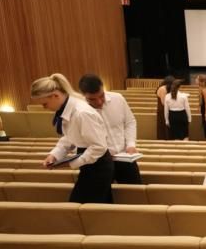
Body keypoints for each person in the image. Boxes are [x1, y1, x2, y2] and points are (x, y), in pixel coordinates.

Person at [31, 73, 113, 204]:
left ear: (55, 96)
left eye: (45, 104)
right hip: (89, 162)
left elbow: (99, 147)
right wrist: (54, 155)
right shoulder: (68, 108)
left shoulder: (81, 113)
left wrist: (71, 163)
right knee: (92, 209)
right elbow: (69, 137)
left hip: (98, 166)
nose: (45, 108)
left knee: (84, 209)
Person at [79, 73, 143, 185]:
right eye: (92, 99)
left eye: (101, 96)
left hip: (125, 157)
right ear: (83, 95)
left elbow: (130, 122)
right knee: (105, 199)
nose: (99, 102)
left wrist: (131, 144)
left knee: (134, 193)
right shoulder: (80, 110)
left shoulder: (117, 98)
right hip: (100, 163)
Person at [155, 76, 173, 140]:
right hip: (162, 109)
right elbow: (163, 102)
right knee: (163, 125)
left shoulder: (166, 88)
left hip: (165, 109)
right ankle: (164, 140)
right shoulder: (163, 89)